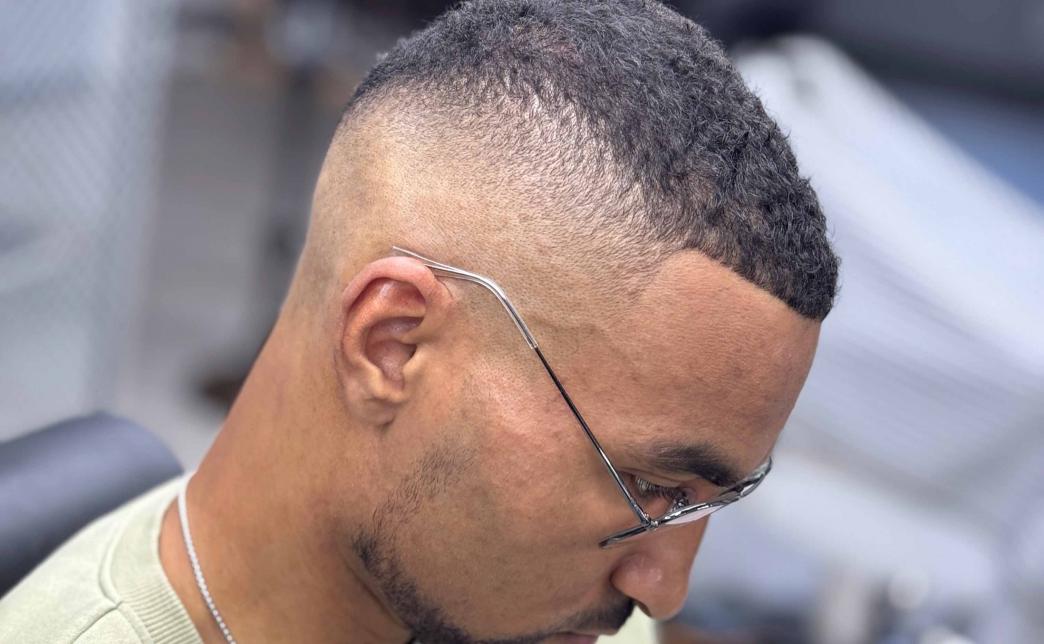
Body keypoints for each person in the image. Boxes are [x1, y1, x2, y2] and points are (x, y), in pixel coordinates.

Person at [0, 1, 838, 642]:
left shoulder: (542, 610)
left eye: (705, 504)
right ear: (390, 346)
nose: (663, 592)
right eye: (651, 489)